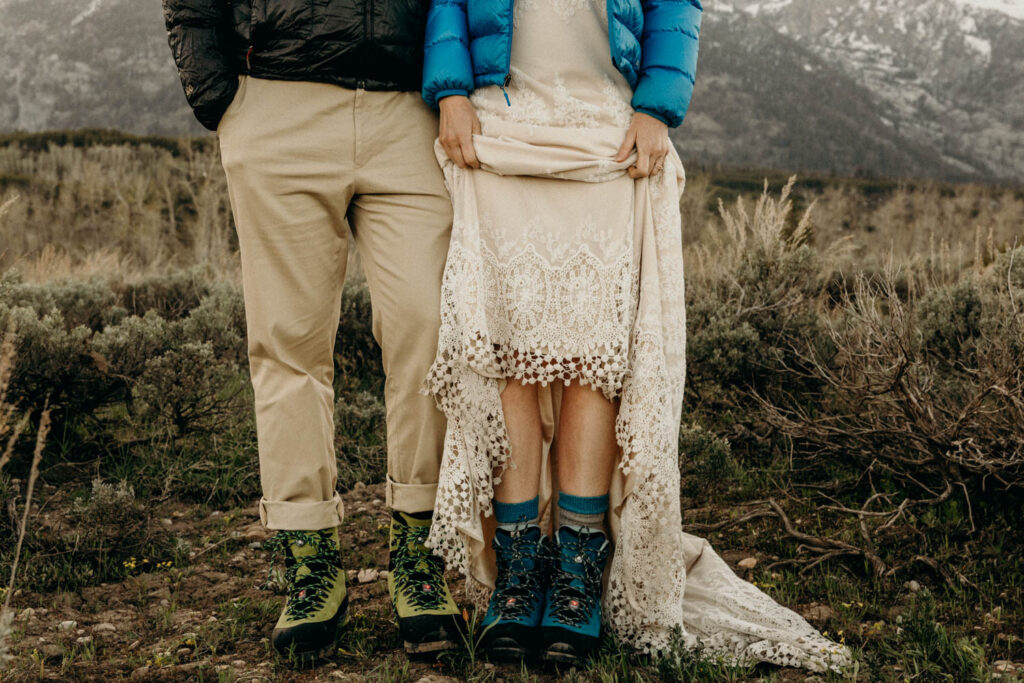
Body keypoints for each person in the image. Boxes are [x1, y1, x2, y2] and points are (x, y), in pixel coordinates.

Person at [420, 0, 852, 672]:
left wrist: (657, 107)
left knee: (596, 360)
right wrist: (448, 90)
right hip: (500, 130)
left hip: (608, 135)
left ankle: (578, 569)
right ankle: (517, 569)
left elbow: (676, 5)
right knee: (506, 357)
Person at [161, 0, 462, 664]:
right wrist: (218, 95)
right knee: (287, 340)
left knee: (430, 327)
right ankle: (310, 560)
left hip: (412, 108)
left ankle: (419, 550)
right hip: (278, 102)